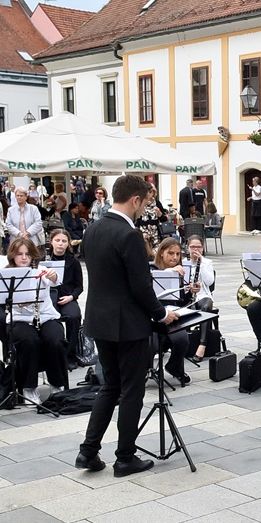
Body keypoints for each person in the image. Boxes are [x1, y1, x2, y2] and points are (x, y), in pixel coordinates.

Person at [77, 175, 179, 478]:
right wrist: (161, 314)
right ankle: (125, 457)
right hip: (128, 324)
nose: (144, 209)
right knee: (132, 390)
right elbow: (140, 286)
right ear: (135, 200)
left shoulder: (92, 229)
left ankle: (88, 451)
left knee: (109, 386)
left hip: (99, 319)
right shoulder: (129, 234)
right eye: (145, 203)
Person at [4, 238, 69, 403]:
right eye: (19, 254)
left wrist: (53, 276)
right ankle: (29, 387)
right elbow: (1, 297)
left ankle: (57, 383)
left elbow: (54, 280)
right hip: (20, 319)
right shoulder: (6, 274)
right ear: (12, 256)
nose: (24, 258)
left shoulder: (41, 270)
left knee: (55, 340)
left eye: (27, 254)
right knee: (29, 341)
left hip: (46, 316)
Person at [151, 238, 194, 387]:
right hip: (153, 315)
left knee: (182, 339)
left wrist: (189, 291)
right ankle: (144, 369)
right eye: (171, 253)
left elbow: (182, 302)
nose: (175, 258)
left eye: (177, 254)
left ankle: (174, 367)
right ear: (162, 253)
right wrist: (167, 273)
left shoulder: (180, 271)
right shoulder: (150, 270)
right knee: (153, 343)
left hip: (173, 315)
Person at [46, 229, 84, 369]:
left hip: (67, 297)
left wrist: (71, 297)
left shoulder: (73, 261)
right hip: (48, 298)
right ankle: (53, 354)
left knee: (73, 316)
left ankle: (70, 354)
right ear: (51, 242)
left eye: (63, 241)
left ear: (68, 243)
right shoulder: (44, 259)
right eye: (57, 240)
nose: (60, 244)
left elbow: (79, 286)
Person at [182, 235, 217, 362]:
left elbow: (209, 281)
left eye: (199, 247)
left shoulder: (207, 263)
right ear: (188, 247)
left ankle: (202, 344)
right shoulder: (183, 263)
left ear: (202, 248)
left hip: (203, 295)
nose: (195, 249)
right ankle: (183, 344)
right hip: (187, 295)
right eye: (192, 247)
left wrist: (201, 264)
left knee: (206, 307)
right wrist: (188, 288)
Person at [137, 186, 167, 251]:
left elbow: (164, 219)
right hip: (143, 231)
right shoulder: (141, 203)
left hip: (155, 232)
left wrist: (160, 214)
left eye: (151, 191)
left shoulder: (157, 203)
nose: (149, 194)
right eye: (148, 192)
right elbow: (136, 220)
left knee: (157, 251)